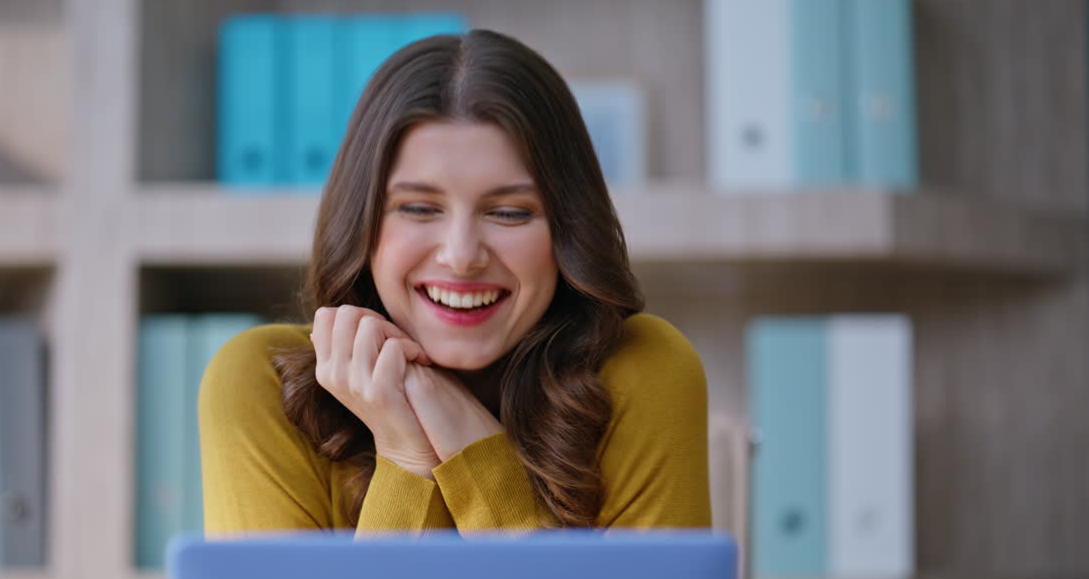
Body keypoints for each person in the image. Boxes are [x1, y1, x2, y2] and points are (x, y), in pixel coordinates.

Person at [199, 28, 710, 536]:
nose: (462, 256)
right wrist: (405, 454)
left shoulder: (645, 370)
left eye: (509, 212)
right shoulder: (262, 384)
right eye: (419, 208)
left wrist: (473, 451)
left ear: (567, 231)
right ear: (363, 223)